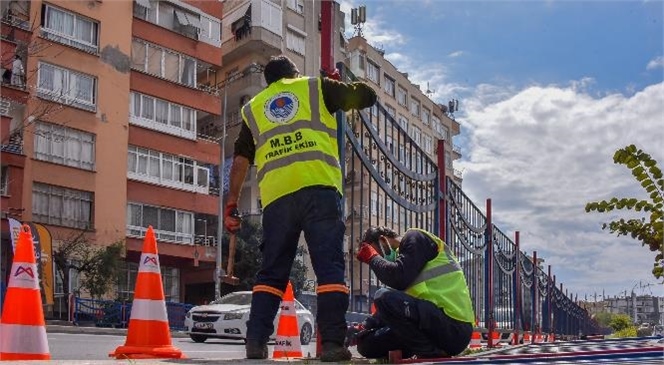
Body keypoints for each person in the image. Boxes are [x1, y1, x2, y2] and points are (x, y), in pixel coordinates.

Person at [224, 55, 377, 361]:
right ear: (294, 73)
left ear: (268, 82)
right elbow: (367, 97)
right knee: (329, 269)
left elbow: (240, 160)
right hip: (319, 189)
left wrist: (231, 203)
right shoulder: (314, 87)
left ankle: (255, 343)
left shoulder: (255, 108)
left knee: (271, 273)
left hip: (278, 198)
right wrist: (339, 82)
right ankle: (333, 344)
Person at [354, 226, 475, 359]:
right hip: (428, 326)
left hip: (453, 328)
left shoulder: (415, 237)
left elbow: (397, 280)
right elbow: (393, 310)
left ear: (383, 240)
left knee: (382, 296)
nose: (381, 259)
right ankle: (426, 348)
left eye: (378, 253)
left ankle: (429, 354)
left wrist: (372, 258)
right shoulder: (405, 262)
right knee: (366, 344)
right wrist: (365, 326)